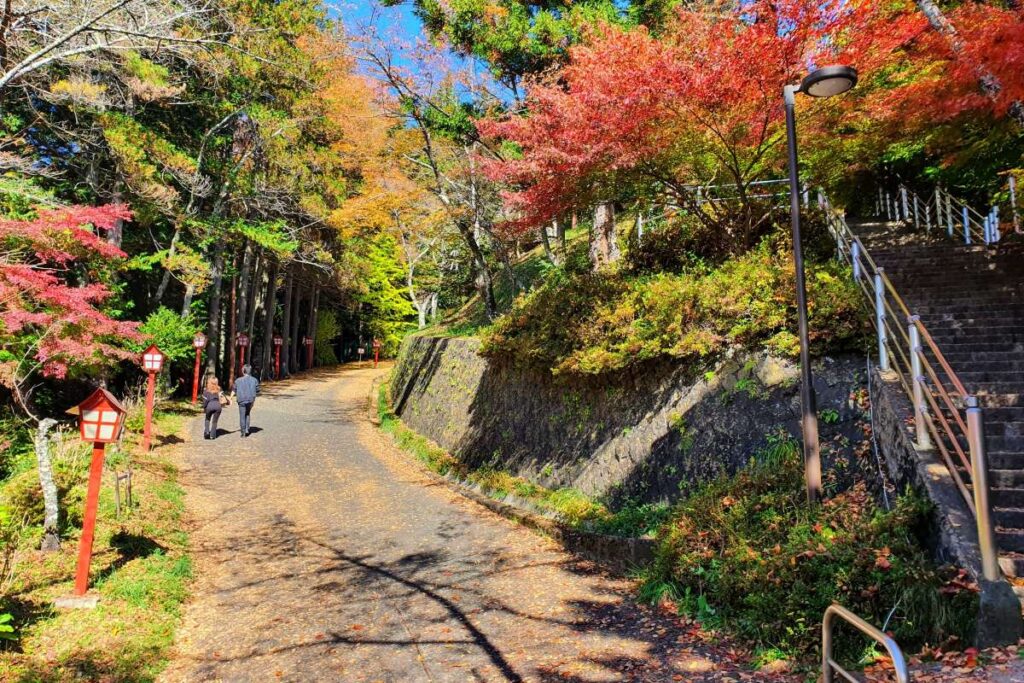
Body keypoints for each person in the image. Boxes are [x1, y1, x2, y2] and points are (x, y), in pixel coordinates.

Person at [234, 364, 259, 438]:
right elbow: (257, 389)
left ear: (243, 371)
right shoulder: (254, 380)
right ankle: (247, 429)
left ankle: (243, 432)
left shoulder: (238, 380)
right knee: (247, 414)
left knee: (242, 416)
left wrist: (231, 397)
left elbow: (234, 389)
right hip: (250, 399)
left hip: (241, 399)